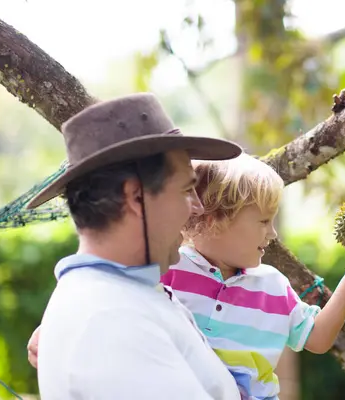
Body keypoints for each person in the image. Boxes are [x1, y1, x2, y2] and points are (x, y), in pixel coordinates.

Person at [28, 93, 243, 399]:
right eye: (186, 189)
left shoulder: (122, 296)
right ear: (136, 197)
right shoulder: (109, 321)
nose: (197, 207)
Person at [160, 153, 345, 400]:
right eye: (264, 221)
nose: (272, 233)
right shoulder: (169, 272)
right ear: (216, 220)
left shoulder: (272, 286)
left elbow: (319, 338)